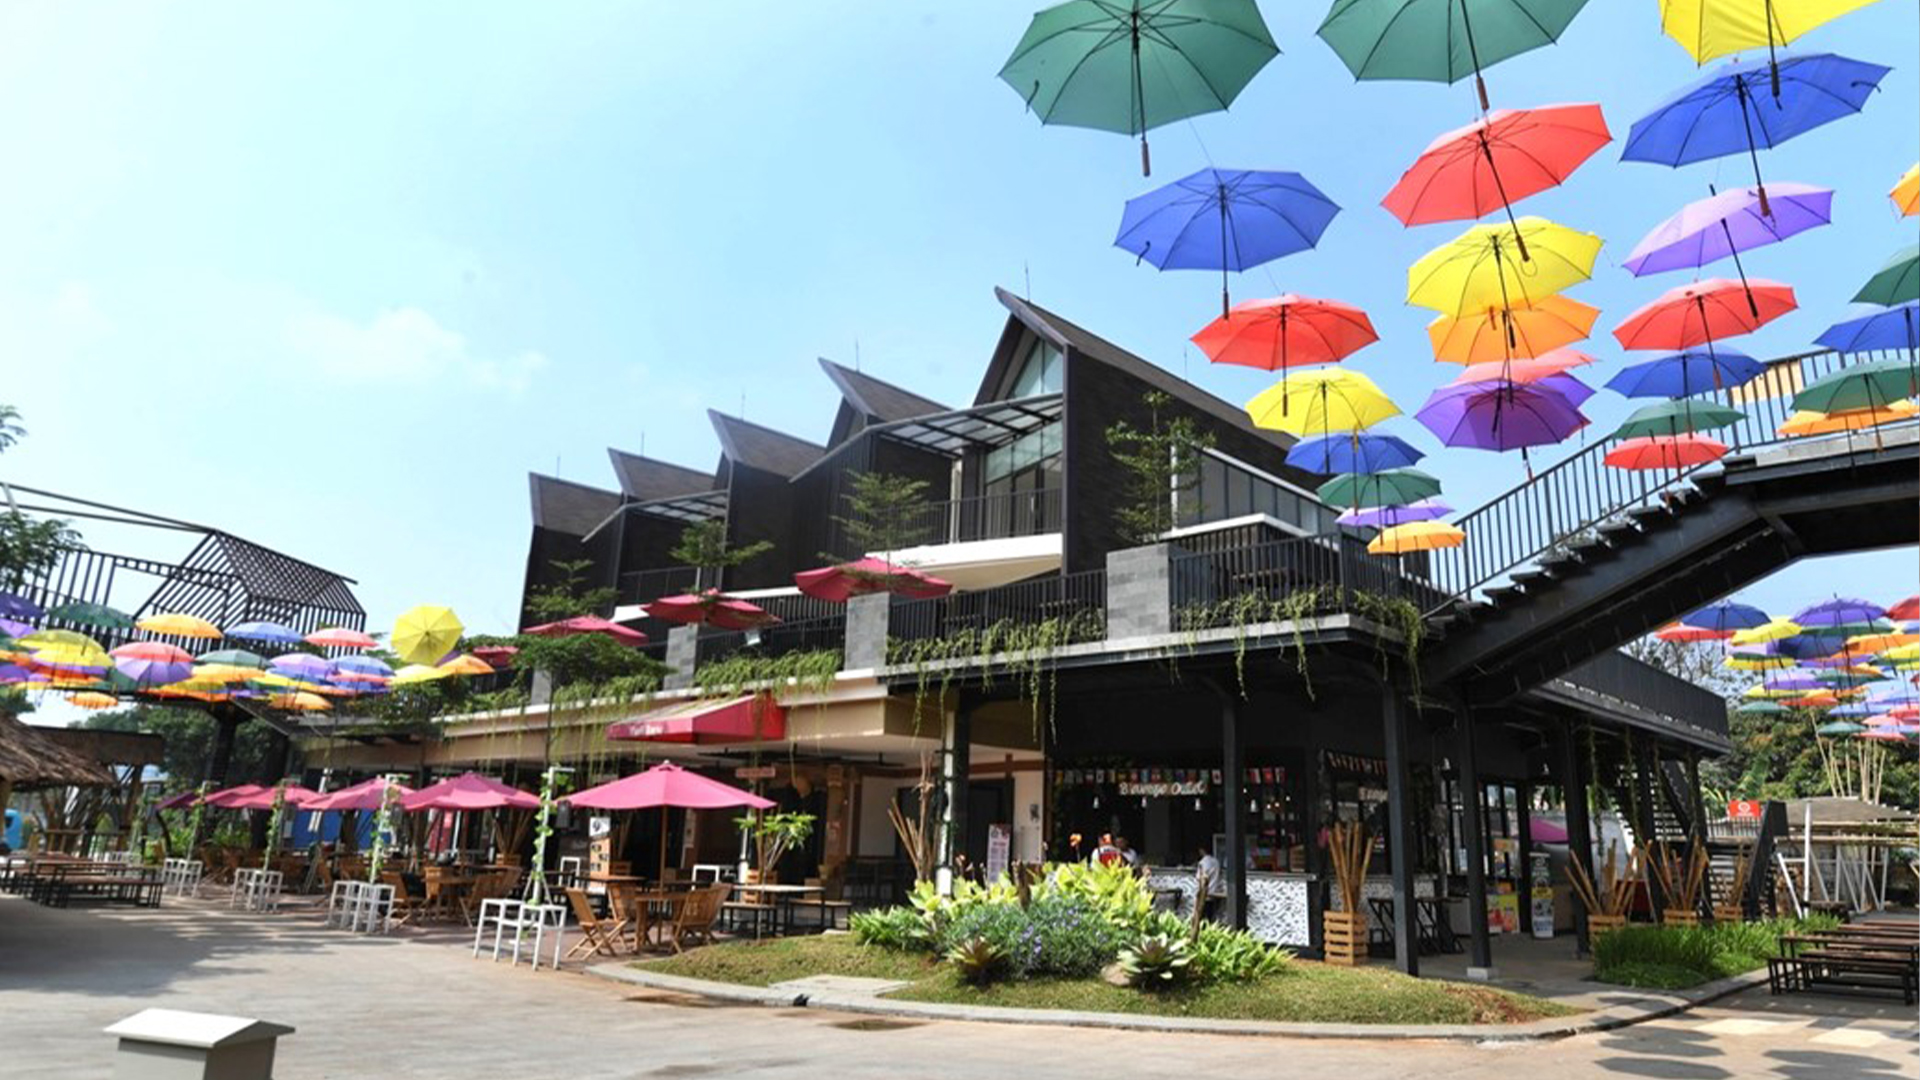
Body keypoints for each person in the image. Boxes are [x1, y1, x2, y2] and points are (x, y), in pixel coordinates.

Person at [1196, 843, 1227, 922]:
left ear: (1202, 850)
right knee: (1211, 916)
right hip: (1215, 891)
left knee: (1202, 917)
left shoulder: (1202, 863)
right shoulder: (1216, 861)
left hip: (1205, 894)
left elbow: (1200, 878)